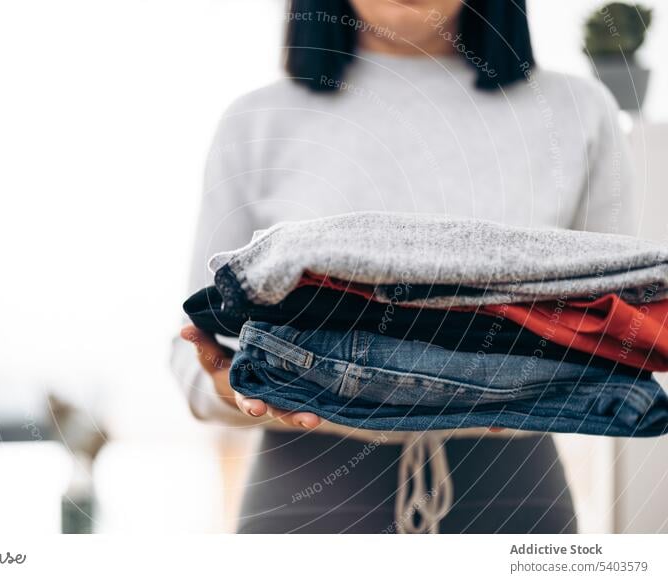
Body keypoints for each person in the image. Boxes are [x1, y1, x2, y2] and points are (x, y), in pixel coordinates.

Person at [171, 0, 634, 533]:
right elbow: (195, 346)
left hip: (512, 501)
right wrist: (233, 383)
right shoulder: (258, 119)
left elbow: (622, 320)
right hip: (308, 501)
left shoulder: (577, 113)